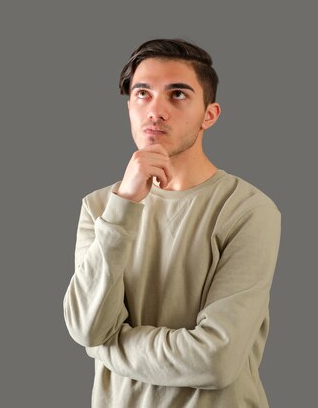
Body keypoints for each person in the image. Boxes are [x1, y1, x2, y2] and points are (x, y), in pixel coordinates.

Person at [63, 39, 281, 408]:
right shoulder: (100, 206)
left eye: (177, 95)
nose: (155, 110)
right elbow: (86, 327)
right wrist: (126, 203)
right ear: (129, 106)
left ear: (208, 115)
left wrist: (108, 346)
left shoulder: (248, 209)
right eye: (142, 94)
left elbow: (215, 360)